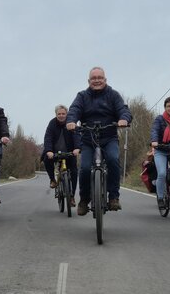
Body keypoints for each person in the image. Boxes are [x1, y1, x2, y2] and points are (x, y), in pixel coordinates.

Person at [66, 66, 131, 215]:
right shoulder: (82, 96)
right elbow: (74, 109)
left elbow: (123, 109)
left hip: (109, 137)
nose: (97, 81)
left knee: (113, 160)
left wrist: (123, 119)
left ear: (105, 80)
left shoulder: (113, 95)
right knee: (84, 168)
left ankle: (113, 197)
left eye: (99, 78)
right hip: (88, 138)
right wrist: (71, 121)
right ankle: (84, 199)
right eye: (93, 78)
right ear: (89, 81)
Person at [41, 105, 80, 206]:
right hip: (54, 152)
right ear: (56, 114)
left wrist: (77, 148)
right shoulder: (52, 123)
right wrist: (48, 151)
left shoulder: (71, 123)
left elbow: (76, 136)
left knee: (75, 171)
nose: (61, 115)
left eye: (63, 113)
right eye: (59, 114)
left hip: (69, 152)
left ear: (66, 114)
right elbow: (48, 137)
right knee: (46, 159)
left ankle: (72, 196)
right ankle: (53, 180)